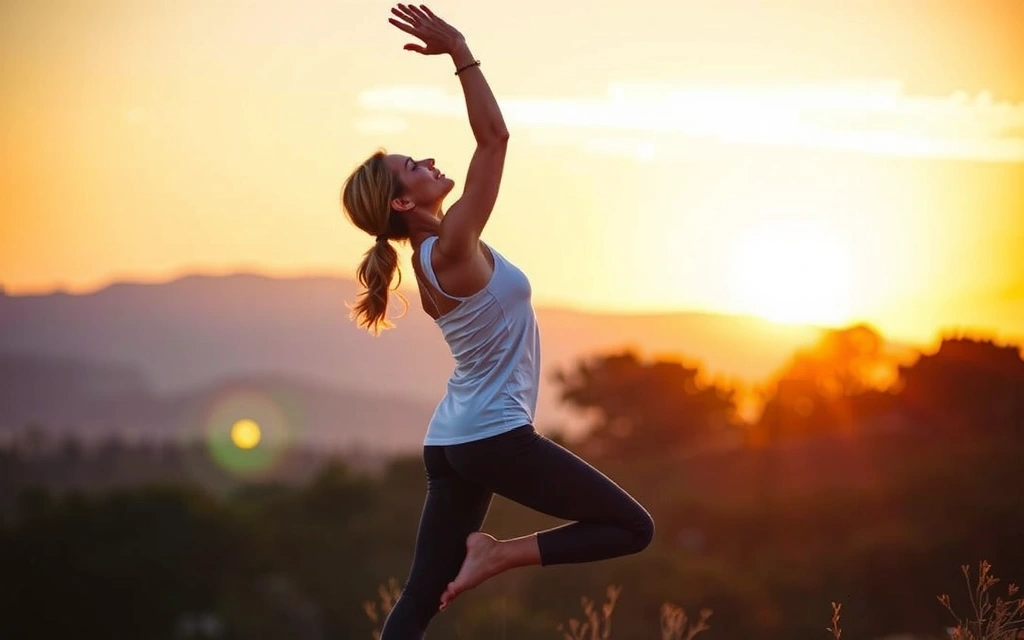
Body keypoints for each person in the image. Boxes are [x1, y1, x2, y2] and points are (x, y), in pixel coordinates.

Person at [339, 4, 655, 637]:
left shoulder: (435, 254)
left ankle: (490, 557)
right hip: (491, 438)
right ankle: (498, 556)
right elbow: (494, 140)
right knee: (632, 528)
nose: (429, 161)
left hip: (452, 441)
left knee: (420, 596)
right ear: (403, 201)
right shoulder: (450, 246)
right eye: (413, 167)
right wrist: (460, 50)